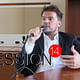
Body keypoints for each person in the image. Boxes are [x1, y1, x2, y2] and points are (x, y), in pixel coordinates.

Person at [16, 5, 80, 77]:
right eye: (43, 19)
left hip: (64, 77)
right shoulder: (33, 39)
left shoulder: (70, 39)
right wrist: (30, 42)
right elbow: (20, 66)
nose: (46, 21)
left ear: (59, 24)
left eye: (50, 19)